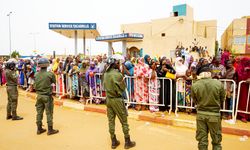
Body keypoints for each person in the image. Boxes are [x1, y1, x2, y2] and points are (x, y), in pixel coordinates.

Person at [103, 57, 136, 149]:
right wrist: (121, 75)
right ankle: (127, 141)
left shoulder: (105, 74)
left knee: (111, 121)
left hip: (108, 99)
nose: (119, 64)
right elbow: (122, 88)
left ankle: (113, 141)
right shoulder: (117, 75)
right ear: (114, 64)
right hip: (117, 100)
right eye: (118, 63)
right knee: (124, 121)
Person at [191, 64, 225, 150]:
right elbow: (222, 99)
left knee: (202, 141)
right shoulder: (218, 84)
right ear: (210, 73)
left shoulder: (195, 85)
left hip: (201, 115)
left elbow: (195, 100)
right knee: (216, 141)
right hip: (214, 115)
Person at [34, 58, 59, 135]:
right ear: (47, 65)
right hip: (47, 96)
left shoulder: (36, 74)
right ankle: (50, 129)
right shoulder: (50, 74)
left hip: (39, 96)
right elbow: (54, 82)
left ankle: (39, 129)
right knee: (49, 113)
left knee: (39, 112)